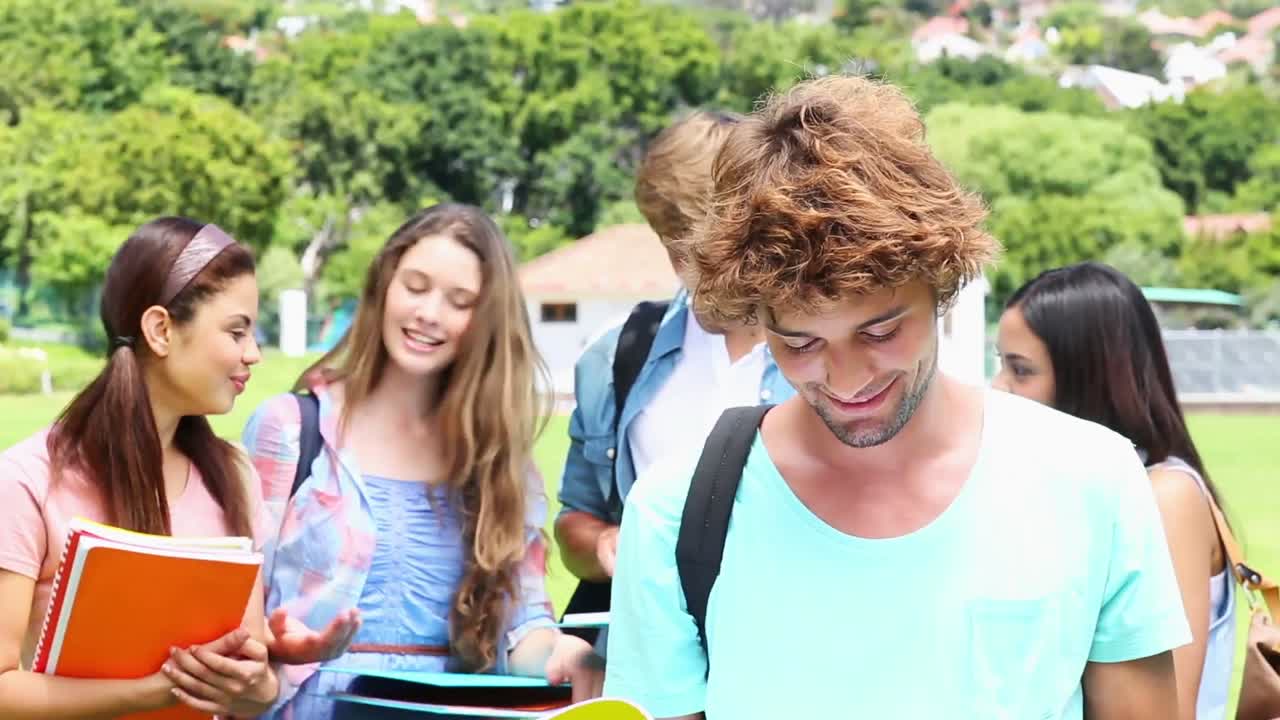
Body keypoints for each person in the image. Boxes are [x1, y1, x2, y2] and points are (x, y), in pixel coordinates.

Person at [602, 75, 1191, 719]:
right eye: (799, 343)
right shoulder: (674, 513)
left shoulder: (1093, 479)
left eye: (881, 330)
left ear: (941, 286)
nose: (848, 379)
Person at [242, 203, 600, 719]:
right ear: (385, 285)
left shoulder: (499, 463)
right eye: (415, 286)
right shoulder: (291, 430)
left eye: (460, 301)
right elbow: (234, 610)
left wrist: (565, 651)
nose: (429, 314)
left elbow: (522, 629)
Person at [0, 217, 280, 717]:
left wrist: (257, 685)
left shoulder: (235, 476)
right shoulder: (27, 479)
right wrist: (150, 692)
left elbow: (251, 692)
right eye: (236, 331)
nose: (253, 354)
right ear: (161, 330)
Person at [555, 110, 796, 627]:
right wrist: (603, 545)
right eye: (673, 239)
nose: (690, 265)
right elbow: (574, 522)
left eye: (713, 243)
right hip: (652, 650)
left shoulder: (820, 356)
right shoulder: (616, 358)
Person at [993, 261, 1234, 720]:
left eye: (1020, 371)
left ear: (1090, 375)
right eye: (1001, 364)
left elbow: (1171, 708)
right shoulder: (1076, 491)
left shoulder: (1165, 497)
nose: (998, 389)